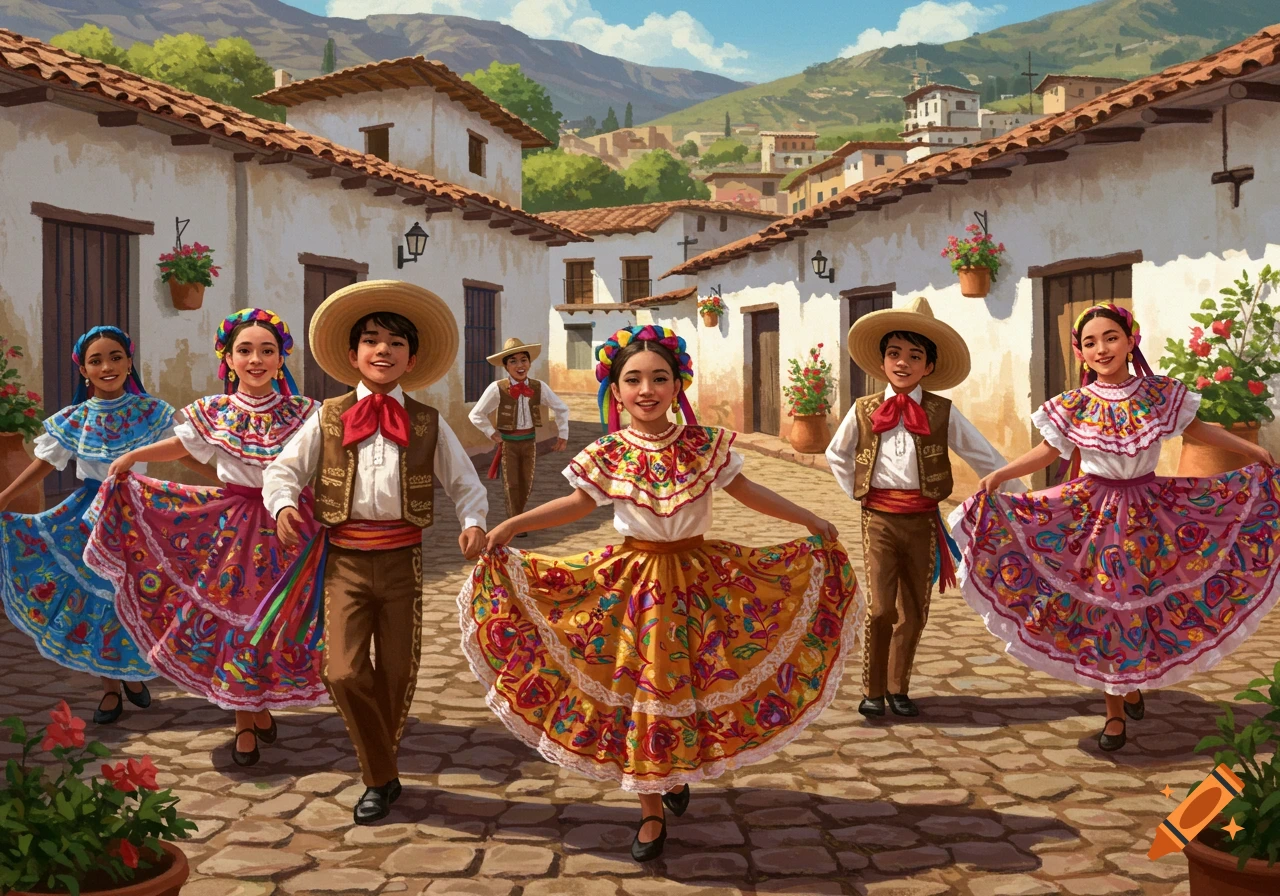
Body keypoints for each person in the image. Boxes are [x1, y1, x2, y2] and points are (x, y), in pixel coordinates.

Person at [458, 324, 858, 863]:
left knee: (692, 682)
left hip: (702, 583)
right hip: (635, 587)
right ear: (616, 390)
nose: (646, 389)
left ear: (678, 386)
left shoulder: (704, 446)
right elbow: (578, 505)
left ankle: (675, 771)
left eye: (659, 378)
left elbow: (747, 490)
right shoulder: (608, 453)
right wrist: (513, 526)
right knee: (646, 687)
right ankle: (649, 808)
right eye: (633, 379)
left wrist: (809, 517)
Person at [950, 303, 1279, 751]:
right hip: (1094, 512)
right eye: (1089, 342)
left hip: (1153, 512)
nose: (1101, 348)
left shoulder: (1157, 395)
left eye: (1110, 338)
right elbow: (1050, 453)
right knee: (1108, 603)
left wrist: (1249, 450)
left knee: (1143, 599)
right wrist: (1000, 475)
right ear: (1080, 353)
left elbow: (1197, 431)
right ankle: (1114, 712)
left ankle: (1131, 678)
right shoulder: (1075, 405)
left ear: (1130, 341)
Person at [262, 280, 488, 825]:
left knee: (396, 673)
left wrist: (474, 522)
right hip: (344, 559)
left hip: (405, 562)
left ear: (411, 358)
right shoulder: (328, 416)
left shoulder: (429, 422)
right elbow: (282, 470)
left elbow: (466, 484)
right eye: (371, 340)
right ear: (351, 354)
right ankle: (383, 774)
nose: (382, 350)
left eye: (394, 343)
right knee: (339, 671)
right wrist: (283, 506)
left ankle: (376, 779)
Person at [86, 309, 327, 767]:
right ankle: (243, 720)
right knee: (233, 617)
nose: (256, 359)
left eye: (267, 350)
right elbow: (182, 445)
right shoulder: (213, 411)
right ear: (228, 358)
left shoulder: (307, 412)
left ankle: (260, 702)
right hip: (235, 526)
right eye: (245, 350)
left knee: (278, 622)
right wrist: (133, 456)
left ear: (282, 358)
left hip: (292, 525)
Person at [826, 297, 1014, 719]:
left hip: (922, 519)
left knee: (914, 610)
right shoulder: (864, 409)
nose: (903, 363)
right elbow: (837, 455)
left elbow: (985, 457)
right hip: (879, 518)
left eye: (915, 356)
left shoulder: (942, 412)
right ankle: (872, 690)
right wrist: (858, 492)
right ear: (882, 361)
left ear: (928, 366)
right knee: (880, 609)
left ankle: (898, 687)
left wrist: (1014, 495)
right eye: (895, 354)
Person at [0, 326, 176, 723]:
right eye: (95, 360)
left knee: (134, 596)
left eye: (115, 357)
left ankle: (130, 672)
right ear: (84, 370)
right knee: (96, 599)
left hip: (138, 516)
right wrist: (6, 497)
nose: (107, 366)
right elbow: (46, 462)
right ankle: (110, 688)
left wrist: (227, 484)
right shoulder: (74, 419)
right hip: (87, 517)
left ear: (130, 362)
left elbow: (185, 449)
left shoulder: (152, 413)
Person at [467, 336, 570, 533]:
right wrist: (491, 433)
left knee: (526, 482)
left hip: (529, 442)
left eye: (523, 360)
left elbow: (561, 408)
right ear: (506, 366)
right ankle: (515, 523)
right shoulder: (497, 388)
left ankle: (518, 517)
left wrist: (562, 434)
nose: (519, 365)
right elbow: (476, 414)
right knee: (512, 484)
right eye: (513, 361)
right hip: (509, 444)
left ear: (529, 363)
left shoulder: (539, 387)